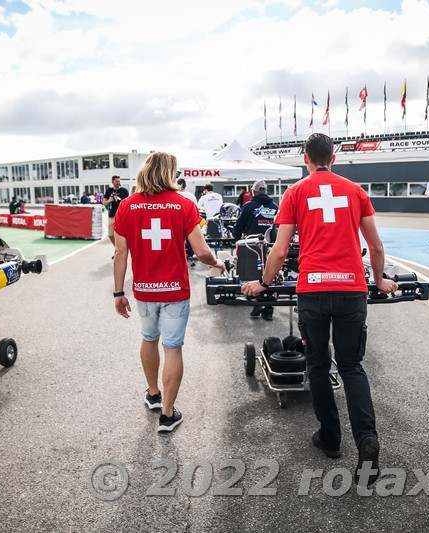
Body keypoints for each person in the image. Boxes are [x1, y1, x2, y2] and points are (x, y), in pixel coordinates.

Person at [242, 133, 397, 487]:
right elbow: (375, 245)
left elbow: (280, 251)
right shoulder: (355, 191)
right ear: (334, 157)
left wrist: (264, 283)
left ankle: (330, 438)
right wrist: (380, 280)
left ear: (305, 158)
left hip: (313, 291)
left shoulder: (296, 192)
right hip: (351, 290)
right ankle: (367, 440)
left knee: (317, 365)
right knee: (352, 366)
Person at [113, 152, 225, 433]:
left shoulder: (126, 206)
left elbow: (119, 253)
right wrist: (217, 262)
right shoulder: (183, 205)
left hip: (144, 291)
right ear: (170, 174)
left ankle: (153, 394)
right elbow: (201, 252)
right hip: (175, 290)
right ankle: (167, 414)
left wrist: (118, 293)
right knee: (172, 347)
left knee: (149, 337)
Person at [233, 179, 279, 321]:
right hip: (271, 245)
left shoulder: (248, 206)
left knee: (254, 273)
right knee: (271, 274)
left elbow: (239, 225)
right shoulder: (275, 206)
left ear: (253, 191)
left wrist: (235, 237)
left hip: (252, 245)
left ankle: (258, 301)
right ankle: (269, 307)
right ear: (265, 191)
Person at [103, 176, 130, 253]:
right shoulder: (109, 191)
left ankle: (119, 251)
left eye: (119, 181)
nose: (118, 182)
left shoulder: (124, 191)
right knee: (111, 235)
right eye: (116, 181)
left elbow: (128, 202)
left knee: (121, 235)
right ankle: (119, 249)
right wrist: (110, 200)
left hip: (122, 215)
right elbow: (104, 203)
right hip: (112, 215)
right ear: (112, 182)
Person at [176, 177, 198, 266]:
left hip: (176, 223)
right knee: (190, 240)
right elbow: (196, 209)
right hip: (188, 223)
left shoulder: (174, 194)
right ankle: (190, 254)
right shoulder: (191, 196)